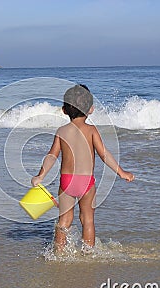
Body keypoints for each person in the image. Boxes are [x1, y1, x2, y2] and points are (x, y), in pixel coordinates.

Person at [31, 84, 134, 255]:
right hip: (87, 182)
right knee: (87, 220)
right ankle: (88, 253)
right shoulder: (91, 130)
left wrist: (40, 176)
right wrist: (121, 172)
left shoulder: (62, 131)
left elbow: (51, 156)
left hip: (67, 181)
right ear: (91, 109)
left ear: (64, 110)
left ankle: (59, 253)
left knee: (64, 220)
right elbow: (104, 154)